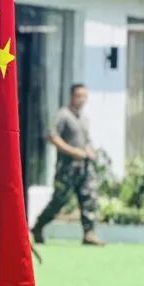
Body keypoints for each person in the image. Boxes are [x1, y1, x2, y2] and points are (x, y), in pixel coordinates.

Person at [31, 83, 104, 246]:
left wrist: (89, 150)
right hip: (67, 168)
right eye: (79, 96)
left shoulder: (84, 118)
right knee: (59, 201)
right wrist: (72, 151)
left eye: (84, 96)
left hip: (84, 167)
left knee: (89, 199)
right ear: (72, 96)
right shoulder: (63, 115)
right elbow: (52, 136)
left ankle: (89, 234)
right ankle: (38, 226)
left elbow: (86, 141)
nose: (82, 100)